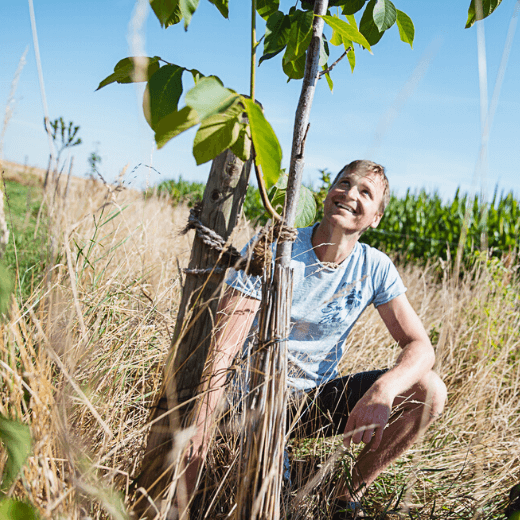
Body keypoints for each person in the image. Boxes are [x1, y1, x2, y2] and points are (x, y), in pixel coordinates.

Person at [183, 160, 447, 518]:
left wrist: (384, 390)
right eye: (344, 183)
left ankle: (346, 498)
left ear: (376, 219)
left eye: (365, 192)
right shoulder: (275, 248)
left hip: (308, 403)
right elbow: (222, 349)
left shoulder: (375, 267)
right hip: (250, 399)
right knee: (274, 506)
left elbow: (421, 347)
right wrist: (200, 427)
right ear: (327, 194)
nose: (350, 194)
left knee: (429, 390)